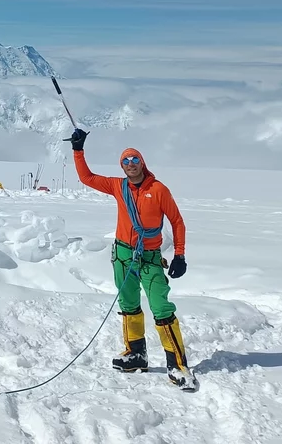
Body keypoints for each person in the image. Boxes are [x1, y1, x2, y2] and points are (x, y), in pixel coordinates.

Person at [67, 127, 195, 389]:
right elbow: (87, 178)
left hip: (149, 258)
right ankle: (136, 354)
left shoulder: (158, 189)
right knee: (128, 305)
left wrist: (179, 254)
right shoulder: (118, 186)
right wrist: (78, 151)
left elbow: (177, 221)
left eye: (135, 160)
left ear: (142, 163)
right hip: (123, 256)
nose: (130, 164)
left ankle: (178, 365)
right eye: (125, 161)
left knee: (161, 308)